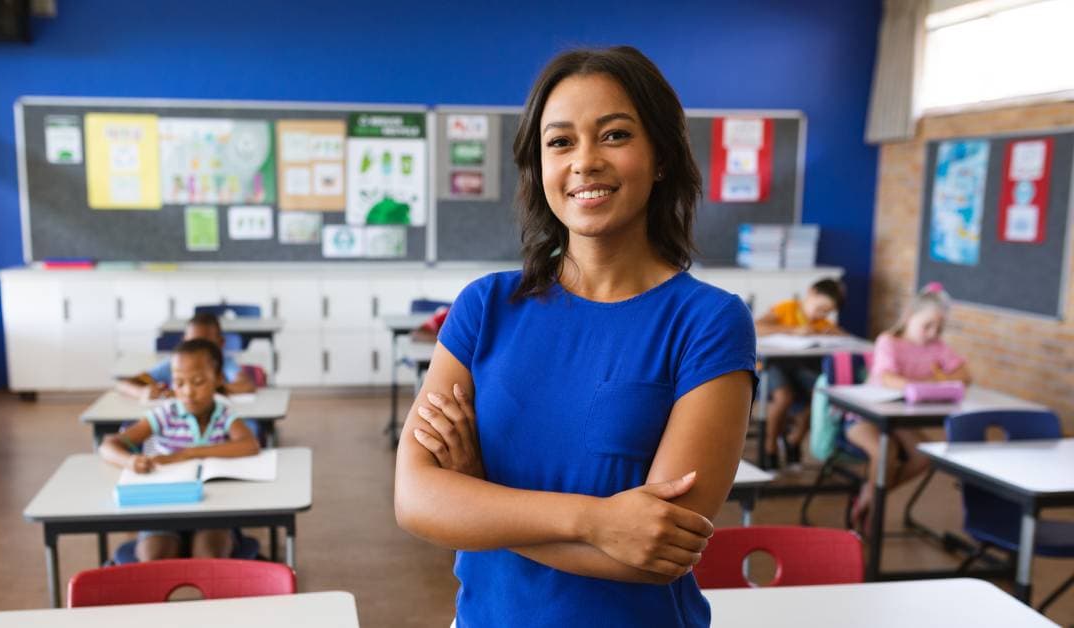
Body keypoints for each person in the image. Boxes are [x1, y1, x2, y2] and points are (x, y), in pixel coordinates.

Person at [394, 46, 756, 627]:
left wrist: (477, 496)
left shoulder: (709, 323)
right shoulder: (485, 307)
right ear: (539, 168)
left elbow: (660, 552)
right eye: (560, 142)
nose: (585, 162)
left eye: (614, 135)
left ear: (661, 156)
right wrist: (596, 522)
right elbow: (415, 501)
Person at [99, 338, 260, 561]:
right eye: (179, 383)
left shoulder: (224, 414)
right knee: (155, 559)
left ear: (218, 379)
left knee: (210, 559)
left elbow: (249, 444)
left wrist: (187, 454)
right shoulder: (164, 414)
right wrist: (130, 461)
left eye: (198, 381)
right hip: (162, 510)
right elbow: (109, 446)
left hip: (215, 513)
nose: (188, 392)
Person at [846, 282, 971, 532]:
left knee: (924, 455)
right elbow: (889, 378)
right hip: (863, 417)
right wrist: (932, 383)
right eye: (927, 326)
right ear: (909, 317)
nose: (933, 333)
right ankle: (873, 505)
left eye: (939, 328)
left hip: (900, 421)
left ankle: (871, 497)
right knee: (885, 452)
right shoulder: (888, 341)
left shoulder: (937, 346)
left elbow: (965, 374)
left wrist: (932, 383)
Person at [753, 278, 847, 468]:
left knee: (821, 394)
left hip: (799, 368)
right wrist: (793, 330)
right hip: (770, 366)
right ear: (811, 293)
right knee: (784, 397)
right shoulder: (787, 308)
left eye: (827, 312)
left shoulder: (820, 322)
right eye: (820, 307)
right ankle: (770, 448)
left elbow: (844, 337)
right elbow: (756, 327)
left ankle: (794, 441)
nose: (822, 314)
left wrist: (830, 332)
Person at [116, 312, 255, 400]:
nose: (199, 350)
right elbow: (124, 384)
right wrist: (141, 392)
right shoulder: (173, 364)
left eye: (206, 344)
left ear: (220, 343)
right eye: (193, 343)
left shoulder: (224, 363)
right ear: (184, 341)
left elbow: (245, 385)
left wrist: (205, 391)